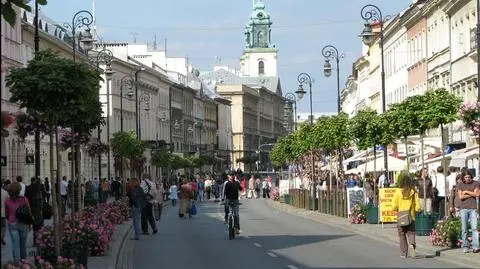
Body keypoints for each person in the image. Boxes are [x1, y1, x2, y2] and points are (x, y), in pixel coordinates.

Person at [392, 174, 420, 258]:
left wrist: (397, 208)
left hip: (401, 217)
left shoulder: (397, 192)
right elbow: (418, 206)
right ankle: (412, 244)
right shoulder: (413, 192)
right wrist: (416, 209)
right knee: (411, 233)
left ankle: (404, 253)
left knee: (402, 235)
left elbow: (394, 206)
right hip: (410, 216)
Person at [4, 182, 32, 261]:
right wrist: (30, 224)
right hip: (23, 224)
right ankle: (24, 262)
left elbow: (6, 213)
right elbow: (29, 212)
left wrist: (10, 218)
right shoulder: (24, 199)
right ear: (19, 190)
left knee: (15, 245)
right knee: (23, 245)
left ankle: (16, 264)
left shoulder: (7, 201)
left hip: (12, 224)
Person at [457, 171, 479, 253]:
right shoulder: (460, 184)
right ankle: (465, 246)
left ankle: (475, 246)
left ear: (471, 177)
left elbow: (477, 194)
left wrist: (466, 192)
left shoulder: (476, 183)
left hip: (473, 208)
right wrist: (472, 194)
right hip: (464, 209)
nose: (467, 179)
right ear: (463, 178)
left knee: (474, 228)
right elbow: (461, 196)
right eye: (466, 177)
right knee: (464, 229)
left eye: (469, 177)